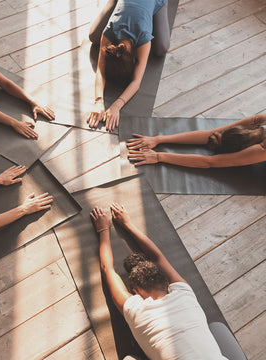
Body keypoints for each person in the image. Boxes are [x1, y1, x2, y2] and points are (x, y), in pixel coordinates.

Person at [90, 203, 227, 360]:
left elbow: (108, 269)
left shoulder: (135, 309)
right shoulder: (184, 292)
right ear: (167, 284)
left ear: (135, 292)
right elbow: (158, 257)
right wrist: (128, 224)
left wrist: (103, 230)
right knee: (217, 329)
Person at [87, 0, 170, 131]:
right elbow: (101, 70)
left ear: (134, 59)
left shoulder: (143, 37)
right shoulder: (109, 31)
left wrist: (117, 105)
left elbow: (136, 82)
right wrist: (98, 101)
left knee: (161, 48)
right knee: (94, 36)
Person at [127, 114, 266, 168]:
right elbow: (210, 134)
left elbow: (209, 162)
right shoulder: (257, 121)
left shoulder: (262, 149)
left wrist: (159, 156)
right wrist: (159, 139)